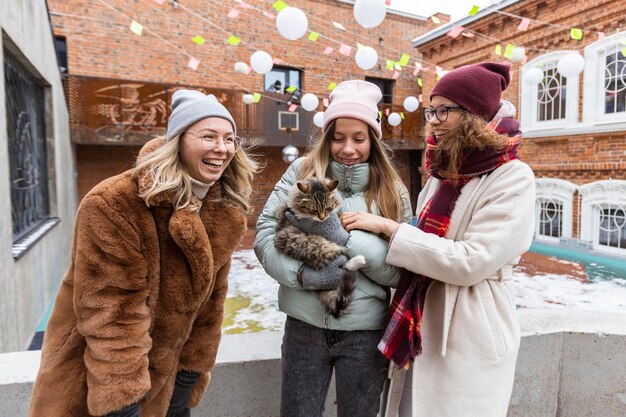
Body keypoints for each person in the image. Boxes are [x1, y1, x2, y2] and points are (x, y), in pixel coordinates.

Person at [29, 90, 258, 417]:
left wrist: (188, 376)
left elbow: (210, 305)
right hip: (97, 383)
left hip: (169, 382)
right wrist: (123, 404)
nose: (222, 149)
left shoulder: (224, 213)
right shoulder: (114, 203)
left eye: (229, 139)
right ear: (178, 140)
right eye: (208, 136)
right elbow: (110, 313)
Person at [340, 62, 535, 417]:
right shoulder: (442, 173)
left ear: (476, 113)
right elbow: (424, 245)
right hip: (421, 321)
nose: (434, 119)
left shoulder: (513, 176)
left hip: (471, 325)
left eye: (446, 110)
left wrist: (391, 229)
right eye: (433, 109)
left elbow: (471, 262)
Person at [254, 80, 413, 417]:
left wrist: (349, 238)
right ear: (327, 137)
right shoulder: (301, 172)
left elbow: (403, 271)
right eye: (339, 137)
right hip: (303, 328)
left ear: (373, 139)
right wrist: (301, 275)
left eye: (359, 138)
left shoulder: (392, 191)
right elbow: (266, 233)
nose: (348, 148)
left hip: (365, 334)